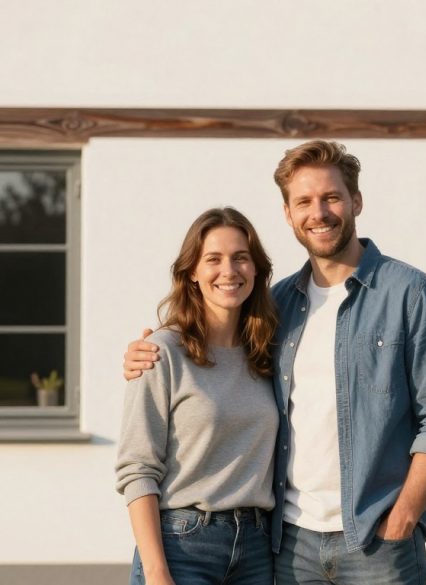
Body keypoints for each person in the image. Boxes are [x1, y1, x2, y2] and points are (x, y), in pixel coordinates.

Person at [123, 141, 426, 584]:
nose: (318, 213)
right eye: (303, 201)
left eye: (331, 197)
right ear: (288, 214)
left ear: (355, 201)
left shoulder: (411, 294)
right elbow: (208, 335)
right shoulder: (278, 306)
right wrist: (149, 352)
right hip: (289, 546)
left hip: (375, 541)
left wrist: (403, 517)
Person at [115, 207, 280, 585]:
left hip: (257, 548)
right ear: (192, 271)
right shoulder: (162, 352)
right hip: (182, 544)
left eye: (241, 258)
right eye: (213, 259)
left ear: (256, 269)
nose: (229, 271)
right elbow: (137, 468)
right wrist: (157, 572)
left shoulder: (269, 352)